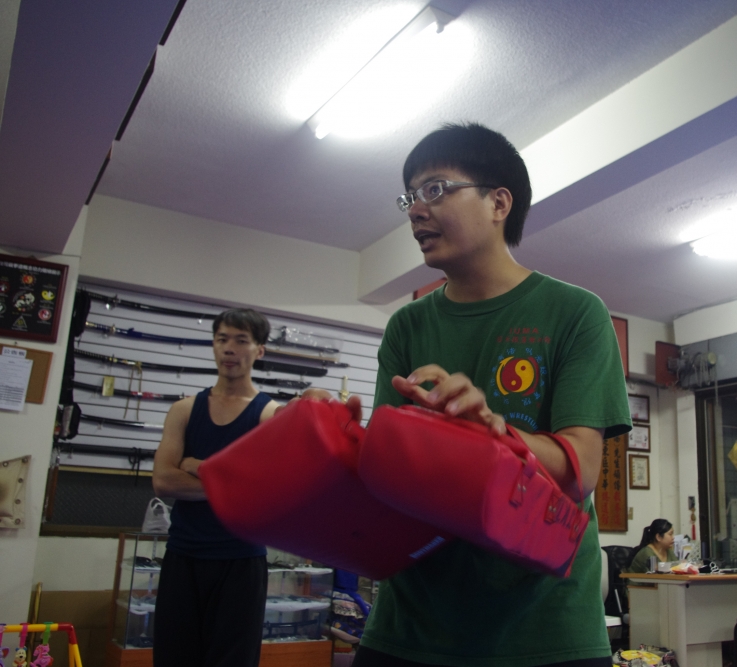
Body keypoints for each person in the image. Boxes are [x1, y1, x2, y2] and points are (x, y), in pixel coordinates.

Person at [344, 122, 632, 667]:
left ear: (499, 202)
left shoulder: (576, 313)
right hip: (411, 625)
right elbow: (387, 481)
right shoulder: (407, 326)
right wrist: (334, 442)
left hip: (543, 631)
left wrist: (490, 438)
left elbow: (580, 472)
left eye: (435, 189)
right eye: (410, 196)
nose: (415, 211)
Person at [151, 308, 280, 667]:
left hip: (241, 562)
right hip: (184, 557)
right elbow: (163, 481)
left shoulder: (268, 415)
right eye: (222, 339)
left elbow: (266, 491)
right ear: (213, 345)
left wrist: (198, 467)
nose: (229, 348)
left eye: (241, 340)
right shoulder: (184, 410)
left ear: (259, 350)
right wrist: (231, 482)